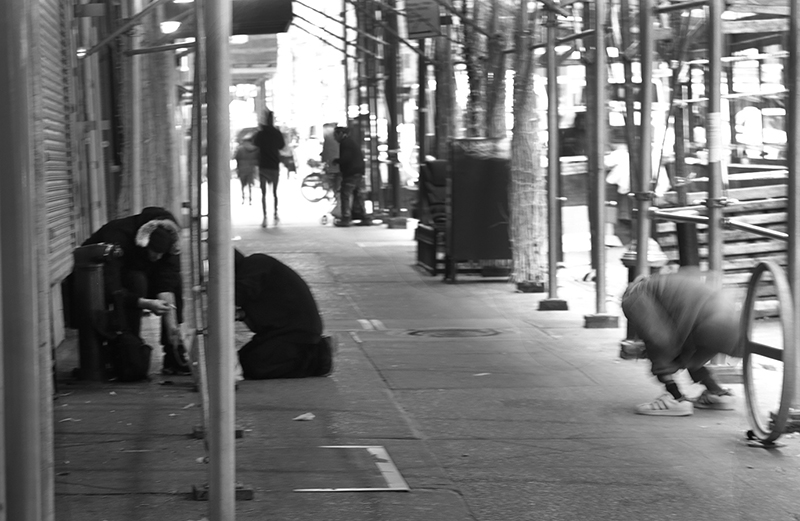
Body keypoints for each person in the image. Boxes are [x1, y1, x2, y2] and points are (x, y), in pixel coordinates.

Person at [81, 206, 189, 375]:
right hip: (101, 279)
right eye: (154, 253)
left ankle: (173, 353)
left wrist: (172, 327)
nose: (157, 258)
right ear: (144, 243)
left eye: (161, 255)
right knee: (137, 280)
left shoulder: (170, 241)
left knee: (175, 283)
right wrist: (144, 302)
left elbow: (166, 282)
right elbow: (112, 287)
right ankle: (130, 351)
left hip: (136, 272)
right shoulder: (118, 235)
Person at [621, 268, 743, 416]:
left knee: (665, 345)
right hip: (648, 297)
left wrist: (668, 358)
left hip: (694, 312)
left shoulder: (636, 294)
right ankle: (716, 393)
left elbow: (667, 344)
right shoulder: (725, 316)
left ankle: (676, 398)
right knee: (672, 346)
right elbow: (688, 352)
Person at [234, 249, 335, 379]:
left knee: (254, 368)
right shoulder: (254, 268)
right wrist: (241, 314)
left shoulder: (255, 265)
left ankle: (319, 357)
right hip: (278, 331)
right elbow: (266, 306)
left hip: (297, 332)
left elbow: (237, 295)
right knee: (242, 361)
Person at [252, 110, 286, 228]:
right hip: (274, 165)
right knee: (274, 193)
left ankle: (265, 217)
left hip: (263, 165)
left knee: (263, 193)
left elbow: (255, 143)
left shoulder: (261, 133)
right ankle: (275, 214)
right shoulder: (277, 133)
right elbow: (282, 145)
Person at [332, 125, 370, 227]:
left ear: (341, 134)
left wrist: (336, 161)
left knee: (345, 195)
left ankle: (346, 218)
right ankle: (364, 217)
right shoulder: (351, 142)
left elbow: (346, 158)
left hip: (351, 173)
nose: (334, 137)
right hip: (358, 172)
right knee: (358, 195)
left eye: (335, 135)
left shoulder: (345, 143)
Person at [234, 135, 259, 205]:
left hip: (242, 168)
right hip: (251, 169)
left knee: (242, 184)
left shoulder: (240, 149)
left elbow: (236, 157)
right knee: (250, 184)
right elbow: (257, 159)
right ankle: (250, 198)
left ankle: (243, 197)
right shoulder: (255, 149)